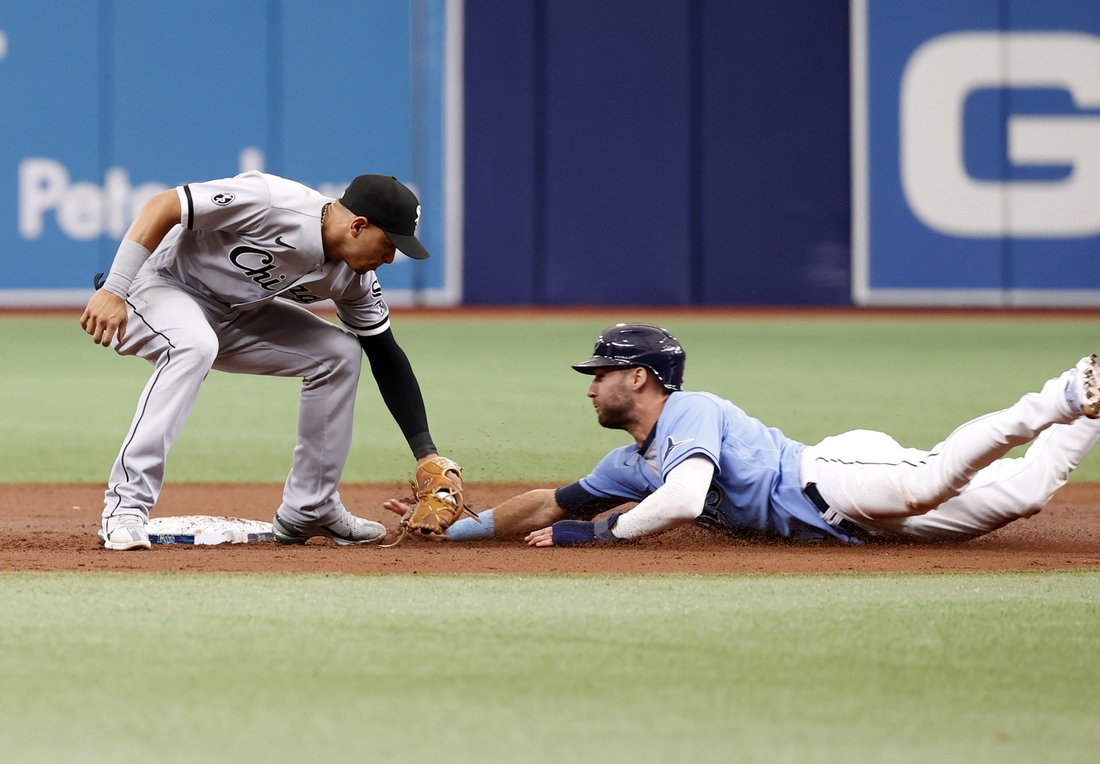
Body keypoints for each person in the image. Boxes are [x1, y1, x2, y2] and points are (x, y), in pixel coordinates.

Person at [389, 323, 1100, 547]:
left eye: (602, 372)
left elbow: (681, 498)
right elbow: (549, 502)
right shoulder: (630, 462)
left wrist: (597, 536)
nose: (590, 385)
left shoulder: (691, 411)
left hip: (831, 475)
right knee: (1027, 493)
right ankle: (1092, 400)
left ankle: (1061, 394)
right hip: (859, 529)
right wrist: (455, 533)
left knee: (923, 482)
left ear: (640, 378)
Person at [82, 171, 458, 550]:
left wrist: (426, 452)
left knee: (339, 354)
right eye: (389, 243)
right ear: (359, 226)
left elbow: (384, 352)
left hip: (231, 313)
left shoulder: (353, 278)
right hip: (157, 286)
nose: (391, 258)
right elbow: (163, 205)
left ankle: (309, 508)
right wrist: (115, 288)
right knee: (193, 345)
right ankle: (124, 508)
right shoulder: (273, 202)